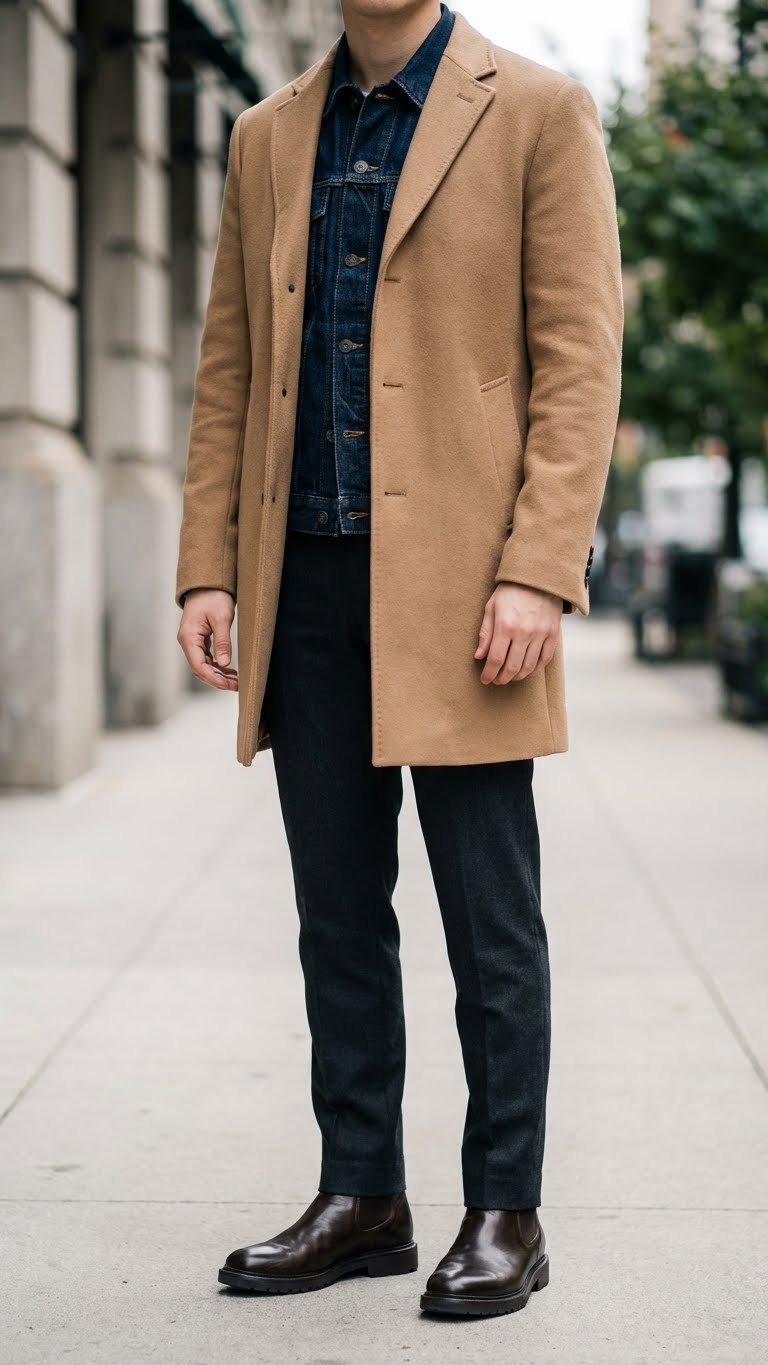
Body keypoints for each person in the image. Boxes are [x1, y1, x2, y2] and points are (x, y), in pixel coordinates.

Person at [175, 0, 622, 1319]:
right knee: (337, 912)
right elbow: (230, 362)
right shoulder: (265, 133)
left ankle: (507, 1206)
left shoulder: (538, 110)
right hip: (304, 573)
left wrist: (541, 566)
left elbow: (580, 359)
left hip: (468, 586)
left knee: (491, 919)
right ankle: (362, 1190)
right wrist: (211, 561)